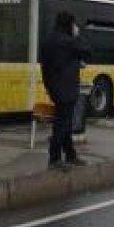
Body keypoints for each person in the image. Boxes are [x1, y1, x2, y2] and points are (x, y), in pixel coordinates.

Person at [39, 11, 91, 170]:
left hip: (54, 86)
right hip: (66, 87)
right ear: (69, 24)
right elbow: (87, 50)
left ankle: (70, 155)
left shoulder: (49, 39)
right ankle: (54, 158)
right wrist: (77, 35)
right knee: (62, 124)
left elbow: (51, 63)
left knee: (65, 122)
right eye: (74, 24)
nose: (75, 27)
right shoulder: (68, 41)